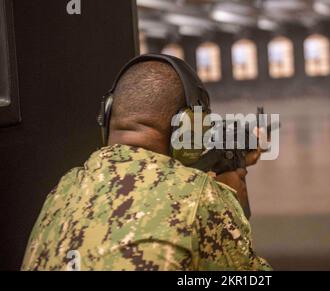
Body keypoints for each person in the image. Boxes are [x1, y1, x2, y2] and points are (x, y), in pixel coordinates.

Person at [21, 57, 272, 271]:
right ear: (189, 126)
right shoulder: (199, 196)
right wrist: (228, 193)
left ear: (107, 116)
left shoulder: (64, 189)